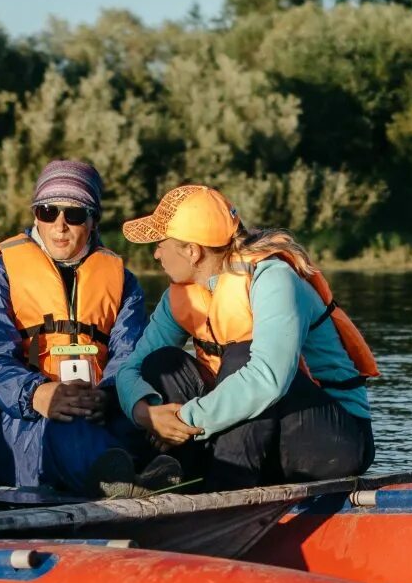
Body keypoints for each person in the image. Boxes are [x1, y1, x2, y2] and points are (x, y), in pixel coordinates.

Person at [110, 184, 380, 490]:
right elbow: (131, 369)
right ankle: (164, 476)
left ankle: (223, 487)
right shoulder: (180, 296)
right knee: (162, 363)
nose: (156, 253)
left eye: (161, 243)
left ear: (192, 251)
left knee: (243, 358)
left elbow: (268, 378)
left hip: (335, 441)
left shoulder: (272, 278)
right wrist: (146, 413)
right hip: (255, 436)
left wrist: (185, 419)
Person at [0, 160, 147, 494]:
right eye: (48, 211)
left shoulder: (124, 282)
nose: (60, 226)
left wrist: (106, 395)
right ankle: (129, 485)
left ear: (92, 221)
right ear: (36, 216)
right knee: (68, 430)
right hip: (19, 418)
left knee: (146, 413)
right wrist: (36, 393)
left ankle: (137, 477)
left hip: (100, 410)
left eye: (74, 214)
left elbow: (131, 354)